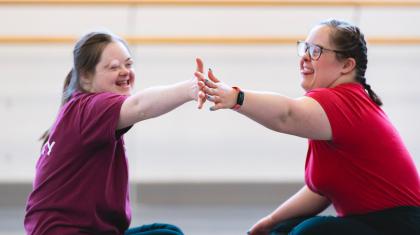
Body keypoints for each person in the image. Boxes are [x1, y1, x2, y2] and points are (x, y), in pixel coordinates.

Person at [195, 19, 420, 235]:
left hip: (400, 226)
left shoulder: (345, 102)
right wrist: (270, 222)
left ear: (346, 65)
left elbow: (287, 114)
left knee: (311, 231)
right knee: (285, 227)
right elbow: (321, 190)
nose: (304, 57)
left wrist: (237, 97)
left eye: (316, 51)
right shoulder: (339, 105)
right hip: (375, 223)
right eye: (305, 48)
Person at [24, 31, 206, 235]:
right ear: (85, 77)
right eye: (113, 67)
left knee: (167, 230)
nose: (125, 71)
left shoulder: (79, 108)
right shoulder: (91, 108)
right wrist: (190, 89)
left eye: (128, 64)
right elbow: (139, 105)